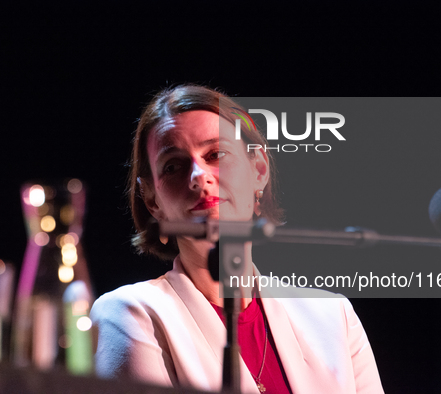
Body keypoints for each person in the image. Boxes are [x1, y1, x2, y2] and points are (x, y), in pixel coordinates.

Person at [90, 84, 384, 393]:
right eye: (173, 166)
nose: (198, 176)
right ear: (152, 201)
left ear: (258, 170)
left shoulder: (333, 315)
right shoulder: (129, 314)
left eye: (216, 154)